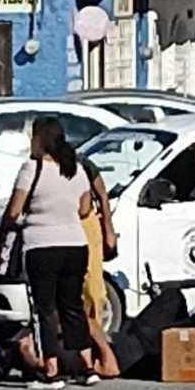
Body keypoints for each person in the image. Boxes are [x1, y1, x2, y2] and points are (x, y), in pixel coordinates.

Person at [0, 117, 96, 390]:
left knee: (44, 309)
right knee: (73, 306)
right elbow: (84, 209)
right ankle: (87, 366)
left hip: (41, 244)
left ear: (39, 138)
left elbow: (14, 209)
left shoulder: (32, 168)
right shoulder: (76, 169)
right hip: (75, 244)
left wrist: (5, 232)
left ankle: (51, 369)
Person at [81, 162, 121, 378]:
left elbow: (102, 195)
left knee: (94, 293)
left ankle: (102, 351)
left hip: (87, 227)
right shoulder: (41, 165)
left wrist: (108, 229)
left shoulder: (82, 164)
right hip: (61, 229)